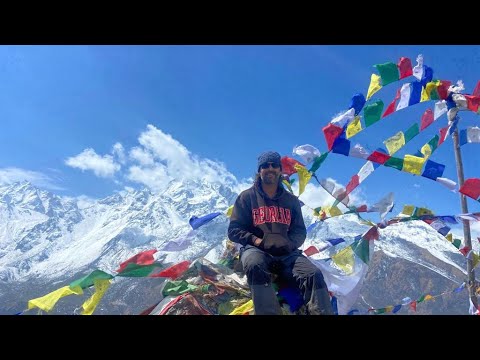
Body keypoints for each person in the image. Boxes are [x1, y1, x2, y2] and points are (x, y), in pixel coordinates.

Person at [228, 150, 333, 315]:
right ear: (259, 170)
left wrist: (290, 244)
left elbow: (299, 231)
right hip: (257, 250)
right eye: (265, 166)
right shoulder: (246, 197)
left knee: (313, 274)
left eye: (274, 165)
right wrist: (256, 241)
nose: (270, 169)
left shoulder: (291, 200)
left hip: (287, 253)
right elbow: (234, 230)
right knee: (254, 264)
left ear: (280, 169)